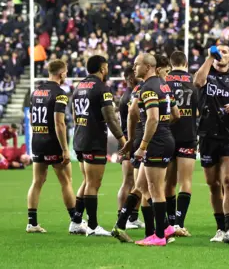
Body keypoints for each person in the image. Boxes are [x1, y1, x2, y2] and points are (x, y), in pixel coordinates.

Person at [112, 53, 179, 246]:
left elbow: (152, 119)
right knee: (141, 186)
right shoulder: (164, 86)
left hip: (155, 142)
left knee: (155, 190)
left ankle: (158, 236)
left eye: (136, 64)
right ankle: (161, 227)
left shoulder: (148, 88)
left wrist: (141, 146)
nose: (134, 68)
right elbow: (175, 114)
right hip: (164, 139)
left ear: (148, 66)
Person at [194, 44, 229, 244]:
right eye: (218, 52)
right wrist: (210, 57)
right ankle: (220, 227)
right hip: (208, 135)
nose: (221, 54)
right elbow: (197, 81)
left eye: (224, 52)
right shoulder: (207, 73)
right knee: (213, 184)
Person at [26, 60, 83, 234]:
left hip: (37, 140)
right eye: (65, 72)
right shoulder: (60, 93)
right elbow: (59, 123)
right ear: (62, 73)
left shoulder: (36, 92)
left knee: (37, 181)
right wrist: (65, 149)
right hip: (53, 142)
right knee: (66, 181)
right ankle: (75, 221)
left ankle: (32, 223)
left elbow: (31, 117)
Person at [72, 55, 127, 237]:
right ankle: (94, 226)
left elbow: (74, 114)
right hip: (94, 140)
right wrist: (123, 141)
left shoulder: (79, 86)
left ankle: (76, 222)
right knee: (94, 183)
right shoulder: (102, 88)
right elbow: (110, 118)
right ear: (103, 68)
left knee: (87, 181)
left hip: (80, 138)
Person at [164, 51, 199, 236]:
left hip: (167, 135)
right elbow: (200, 111)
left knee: (167, 182)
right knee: (185, 181)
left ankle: (169, 223)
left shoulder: (164, 81)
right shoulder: (194, 82)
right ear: (185, 63)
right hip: (188, 135)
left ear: (171, 64)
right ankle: (179, 223)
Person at [116, 66, 144, 230]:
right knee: (130, 181)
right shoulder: (131, 95)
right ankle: (124, 217)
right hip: (131, 141)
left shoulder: (126, 95)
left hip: (128, 141)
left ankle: (130, 217)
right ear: (129, 77)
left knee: (132, 181)